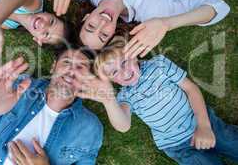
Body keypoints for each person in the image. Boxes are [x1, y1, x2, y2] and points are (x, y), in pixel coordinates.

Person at [73, 36, 238, 165]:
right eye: (114, 72)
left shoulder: (159, 65)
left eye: (124, 62)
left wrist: (204, 126)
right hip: (178, 145)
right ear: (112, 81)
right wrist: (109, 101)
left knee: (232, 142)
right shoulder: (125, 96)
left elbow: (191, 89)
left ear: (134, 54)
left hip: (202, 122)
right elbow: (123, 126)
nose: (124, 72)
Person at [0, 48, 103, 164]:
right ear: (53, 67)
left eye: (81, 67)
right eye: (66, 62)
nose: (71, 70)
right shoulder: (19, 87)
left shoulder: (90, 128)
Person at [48, 0, 230, 54]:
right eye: (103, 35)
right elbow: (218, 8)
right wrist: (167, 23)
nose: (102, 23)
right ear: (113, 33)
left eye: (91, 26)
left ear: (86, 17)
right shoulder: (152, 13)